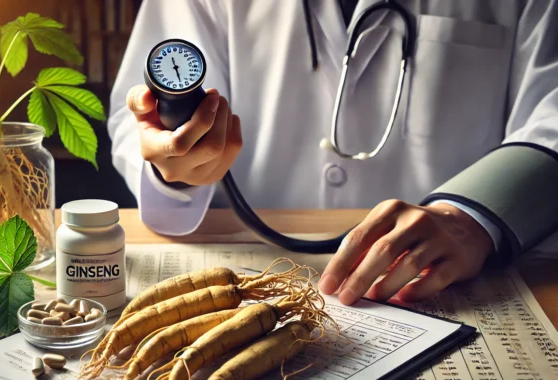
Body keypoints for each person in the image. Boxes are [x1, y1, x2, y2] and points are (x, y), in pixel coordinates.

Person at [109, 0, 558, 305]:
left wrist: (473, 218)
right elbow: (137, 121)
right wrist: (176, 166)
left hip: (442, 283)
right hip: (253, 274)